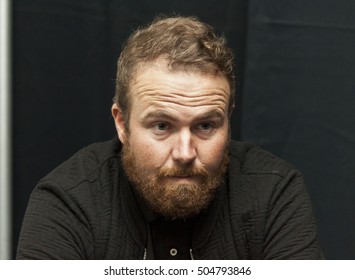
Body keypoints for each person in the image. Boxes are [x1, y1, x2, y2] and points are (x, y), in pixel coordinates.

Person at [16, 16, 323, 260]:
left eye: (205, 126)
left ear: (228, 120)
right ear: (122, 123)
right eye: (162, 126)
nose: (185, 152)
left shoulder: (274, 192)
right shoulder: (68, 200)